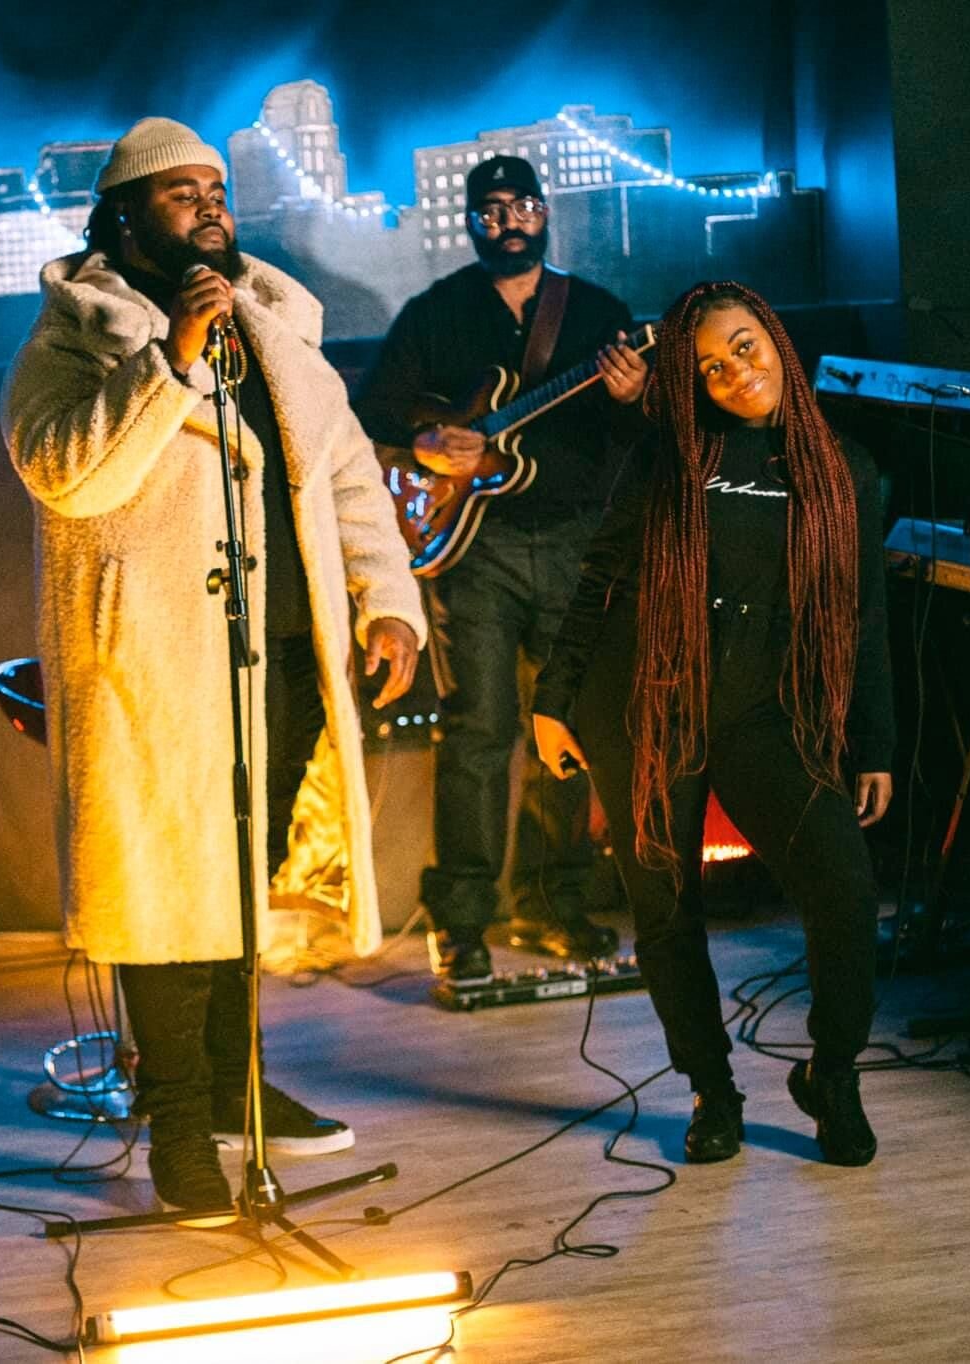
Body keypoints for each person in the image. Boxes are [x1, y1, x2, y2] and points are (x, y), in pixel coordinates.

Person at [3, 119, 425, 1213]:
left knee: (241, 879)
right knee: (163, 896)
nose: (209, 204)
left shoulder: (272, 325)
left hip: (277, 655)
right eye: (180, 191)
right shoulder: (74, 337)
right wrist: (173, 362)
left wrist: (387, 602)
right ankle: (179, 1127)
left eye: (217, 188)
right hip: (154, 671)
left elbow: (345, 474)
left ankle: (236, 1088)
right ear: (123, 215)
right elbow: (67, 473)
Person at [531, 281, 894, 1167]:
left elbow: (863, 617)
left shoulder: (845, 469)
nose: (733, 372)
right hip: (645, 702)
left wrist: (875, 743)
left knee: (845, 890)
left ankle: (833, 1075)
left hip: (763, 711)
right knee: (665, 911)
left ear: (775, 338)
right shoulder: (670, 455)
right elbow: (601, 579)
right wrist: (551, 699)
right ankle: (712, 1091)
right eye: (707, 367)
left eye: (742, 347)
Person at [354, 154, 648, 984]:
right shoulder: (437, 312)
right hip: (475, 549)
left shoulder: (599, 315)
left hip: (574, 539)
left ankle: (554, 905)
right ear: (471, 221)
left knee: (566, 728)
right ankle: (462, 921)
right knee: (478, 731)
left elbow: (633, 443)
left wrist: (634, 398)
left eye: (521, 206)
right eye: (490, 210)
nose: (507, 221)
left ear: (545, 212)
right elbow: (373, 407)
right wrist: (424, 439)